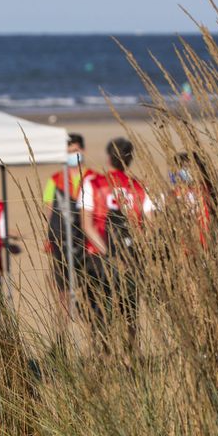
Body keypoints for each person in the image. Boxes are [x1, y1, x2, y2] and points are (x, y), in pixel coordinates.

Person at [78, 137, 155, 354]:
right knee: (130, 312)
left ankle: (104, 358)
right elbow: (149, 226)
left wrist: (106, 254)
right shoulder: (139, 187)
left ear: (108, 157)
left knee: (100, 313)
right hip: (131, 258)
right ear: (130, 160)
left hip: (98, 257)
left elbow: (86, 225)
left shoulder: (93, 183)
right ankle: (132, 359)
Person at [42, 133, 94, 319]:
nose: (73, 154)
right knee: (62, 288)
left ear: (83, 150)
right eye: (69, 152)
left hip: (87, 242)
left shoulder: (93, 178)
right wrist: (50, 237)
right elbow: (50, 210)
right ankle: (62, 327)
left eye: (76, 150)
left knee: (89, 288)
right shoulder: (55, 179)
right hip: (62, 239)